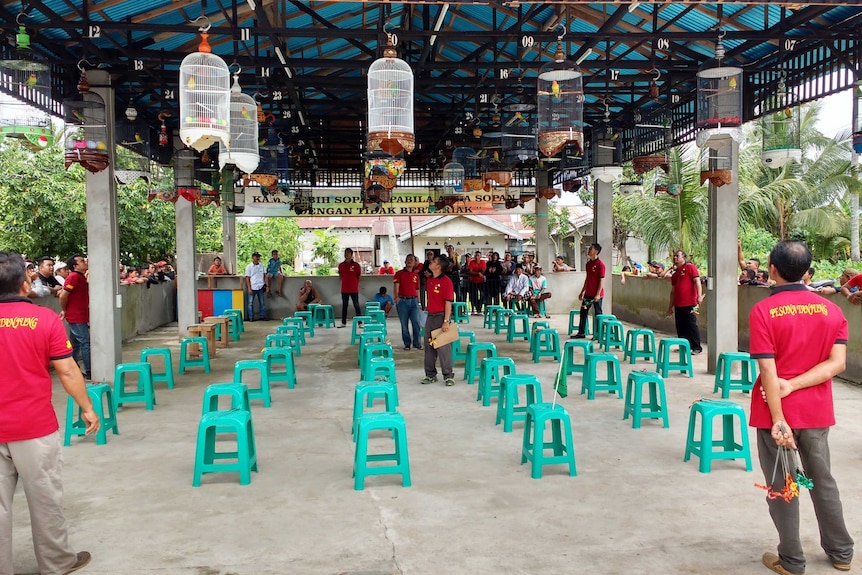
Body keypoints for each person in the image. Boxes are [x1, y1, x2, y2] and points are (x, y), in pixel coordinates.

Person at [748, 240, 854, 575]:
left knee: (783, 484)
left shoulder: (763, 311)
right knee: (822, 479)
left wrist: (779, 417)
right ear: (809, 271)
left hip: (774, 412)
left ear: (772, 268)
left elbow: (768, 370)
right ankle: (841, 552)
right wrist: (796, 385)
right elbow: (837, 364)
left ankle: (792, 561)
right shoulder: (832, 310)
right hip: (816, 411)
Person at [0, 252, 97, 575]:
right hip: (34, 427)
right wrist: (87, 408)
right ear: (25, 284)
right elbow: (68, 371)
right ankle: (57, 562)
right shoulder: (44, 320)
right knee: (45, 499)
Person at [422, 254, 455, 387]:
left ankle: (448, 375)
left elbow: (448, 302)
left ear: (438, 266)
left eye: (434, 261)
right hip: (430, 316)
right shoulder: (430, 280)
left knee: (443, 347)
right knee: (428, 345)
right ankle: (430, 374)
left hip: (441, 316)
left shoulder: (446, 282)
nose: (431, 261)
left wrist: (446, 321)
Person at [59, 255, 91, 379]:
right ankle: (89, 371)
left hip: (79, 315)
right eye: (82, 261)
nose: (85, 262)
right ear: (75, 266)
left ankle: (72, 369)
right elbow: (63, 295)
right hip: (76, 316)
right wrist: (65, 310)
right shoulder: (73, 277)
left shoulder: (80, 277)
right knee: (85, 343)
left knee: (75, 344)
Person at [666, 249, 703, 354]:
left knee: (691, 325)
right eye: (674, 256)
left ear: (684, 258)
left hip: (689, 303)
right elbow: (673, 292)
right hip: (678, 304)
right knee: (680, 326)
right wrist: (670, 308)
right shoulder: (675, 274)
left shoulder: (690, 267)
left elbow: (697, 281)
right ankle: (684, 346)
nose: (675, 258)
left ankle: (696, 347)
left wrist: (699, 296)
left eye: (677, 256)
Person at [572, 243, 605, 339]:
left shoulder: (600, 265)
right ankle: (581, 332)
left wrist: (598, 294)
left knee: (598, 314)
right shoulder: (588, 264)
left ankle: (598, 334)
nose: (589, 250)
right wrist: (582, 291)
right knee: (583, 312)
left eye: (591, 248)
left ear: (596, 251)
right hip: (588, 294)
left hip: (596, 295)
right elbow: (588, 279)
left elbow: (601, 280)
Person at [393, 254, 422, 351]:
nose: (409, 261)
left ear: (414, 263)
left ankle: (417, 343)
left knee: (416, 322)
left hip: (414, 301)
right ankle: (407, 343)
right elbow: (396, 286)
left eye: (412, 260)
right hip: (402, 300)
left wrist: (419, 302)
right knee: (404, 324)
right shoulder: (399, 274)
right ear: (405, 262)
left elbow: (417, 289)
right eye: (408, 259)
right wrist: (396, 297)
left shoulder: (416, 276)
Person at [337, 248, 362, 328]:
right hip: (344, 289)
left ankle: (360, 322)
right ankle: (343, 322)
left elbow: (358, 276)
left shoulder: (356, 265)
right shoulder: (341, 265)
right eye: (345, 253)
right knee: (344, 305)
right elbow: (340, 275)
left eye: (348, 253)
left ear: (351, 255)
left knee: (356, 305)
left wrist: (355, 283)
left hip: (354, 289)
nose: (346, 255)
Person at [245, 252, 266, 321]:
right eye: (256, 257)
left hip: (260, 286)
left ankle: (262, 316)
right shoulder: (249, 267)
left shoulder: (262, 266)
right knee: (250, 303)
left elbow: (265, 276)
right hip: (252, 286)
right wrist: (249, 288)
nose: (257, 258)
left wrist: (267, 285)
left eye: (258, 257)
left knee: (262, 303)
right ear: (252, 257)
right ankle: (251, 317)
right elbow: (247, 278)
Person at [467, 250, 485, 316]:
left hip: (481, 281)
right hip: (473, 281)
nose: (477, 257)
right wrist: (478, 273)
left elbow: (483, 271)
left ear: (480, 256)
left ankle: (479, 307)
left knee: (482, 295)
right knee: (473, 296)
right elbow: (470, 271)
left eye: (478, 255)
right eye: (476, 255)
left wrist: (476, 273)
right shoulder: (472, 262)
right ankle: (474, 309)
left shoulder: (483, 262)